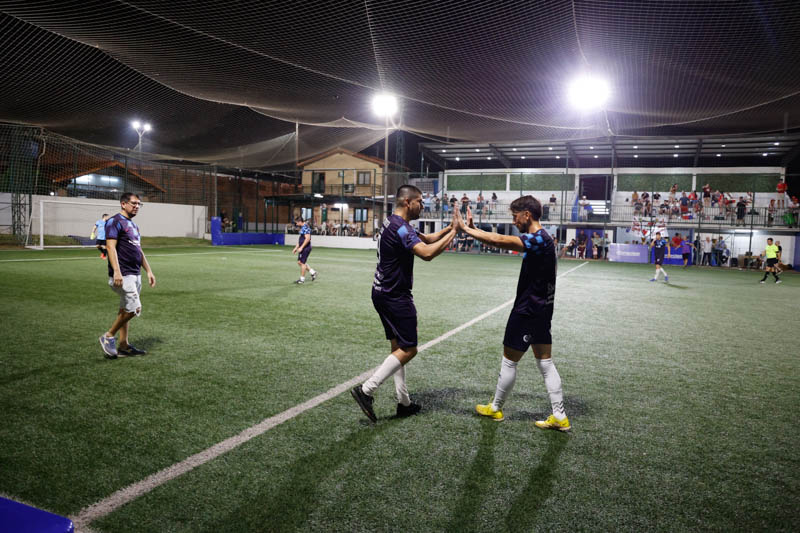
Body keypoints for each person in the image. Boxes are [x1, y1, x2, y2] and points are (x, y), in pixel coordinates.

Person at [454, 196, 570, 431]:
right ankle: (559, 415)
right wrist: (475, 229)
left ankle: (495, 408)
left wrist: (466, 229)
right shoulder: (545, 237)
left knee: (509, 361)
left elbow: (499, 240)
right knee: (545, 363)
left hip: (528, 310)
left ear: (527, 214)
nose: (514, 221)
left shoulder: (538, 239)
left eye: (515, 216)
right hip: (543, 309)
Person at [351, 185, 457, 422]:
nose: (423, 205)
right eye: (420, 201)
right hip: (395, 295)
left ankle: (404, 402)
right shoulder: (400, 228)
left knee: (398, 347)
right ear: (408, 202)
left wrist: (451, 227)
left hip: (380, 291)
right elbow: (427, 252)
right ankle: (367, 390)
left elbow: (427, 238)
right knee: (409, 349)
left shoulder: (393, 222)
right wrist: (454, 235)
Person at [98, 193, 156, 359]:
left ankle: (123, 345)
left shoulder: (134, 226)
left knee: (125, 309)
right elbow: (110, 247)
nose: (137, 206)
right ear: (123, 204)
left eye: (139, 204)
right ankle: (108, 335)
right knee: (135, 308)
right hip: (123, 274)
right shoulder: (114, 222)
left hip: (135, 273)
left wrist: (149, 271)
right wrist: (117, 271)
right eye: (133, 203)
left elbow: (138, 250)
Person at [292, 216, 317, 284]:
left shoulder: (305, 227)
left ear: (300, 222)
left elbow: (307, 238)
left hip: (306, 248)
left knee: (302, 263)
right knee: (300, 262)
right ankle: (313, 272)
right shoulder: (303, 227)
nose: (296, 224)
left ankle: (302, 280)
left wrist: (301, 247)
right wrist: (296, 247)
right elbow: (301, 239)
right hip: (303, 247)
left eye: (297, 223)